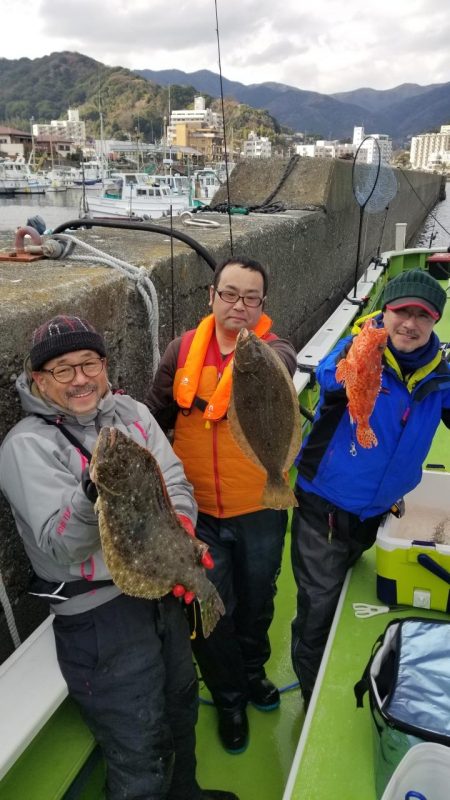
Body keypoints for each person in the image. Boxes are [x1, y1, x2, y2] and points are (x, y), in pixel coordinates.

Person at [0, 315, 238, 800]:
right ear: (39, 379)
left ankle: (186, 792)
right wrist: (93, 495)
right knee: (137, 737)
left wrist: (183, 532)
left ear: (105, 367)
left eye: (89, 363)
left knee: (180, 702)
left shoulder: (131, 413)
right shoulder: (25, 445)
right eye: (63, 370)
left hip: (158, 594)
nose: (81, 378)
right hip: (99, 619)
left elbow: (173, 480)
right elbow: (61, 543)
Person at [146, 256, 297, 754]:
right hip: (199, 514)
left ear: (262, 306)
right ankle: (230, 698)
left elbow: (284, 365)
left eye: (250, 297)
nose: (239, 305)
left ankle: (253, 675)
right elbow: (153, 420)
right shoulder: (180, 351)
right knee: (211, 611)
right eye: (229, 294)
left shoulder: (274, 351)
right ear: (210, 296)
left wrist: (258, 360)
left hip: (259, 508)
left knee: (258, 601)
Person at [291, 269, 450, 707]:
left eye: (423, 315)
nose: (410, 324)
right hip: (324, 502)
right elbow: (327, 376)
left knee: (342, 581)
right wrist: (354, 368)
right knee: (318, 607)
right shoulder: (360, 344)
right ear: (386, 312)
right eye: (402, 312)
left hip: (376, 511)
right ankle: (312, 693)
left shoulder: (441, 375)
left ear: (435, 320)